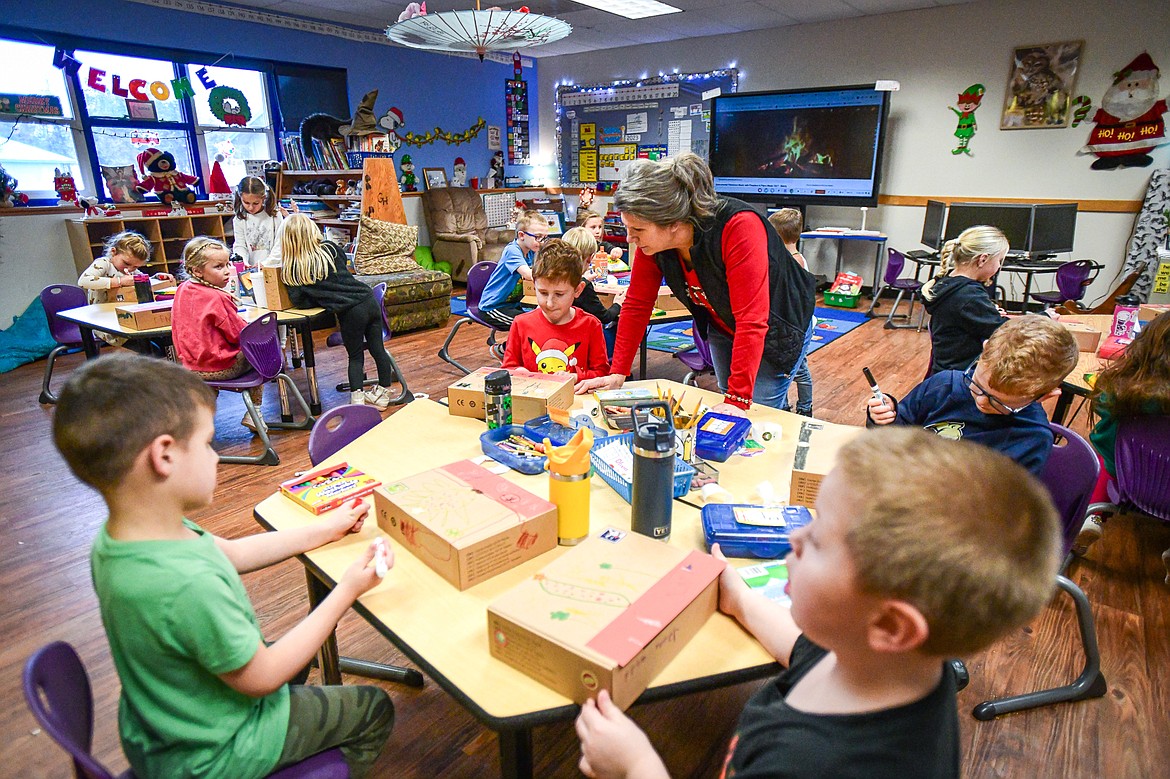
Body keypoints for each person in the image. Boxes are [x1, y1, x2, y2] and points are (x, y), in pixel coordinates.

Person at [576, 427, 1061, 779]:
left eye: (819, 538)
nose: (794, 536)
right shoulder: (892, 667)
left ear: (891, 626)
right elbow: (804, 650)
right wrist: (740, 599)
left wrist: (637, 765)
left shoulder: (811, 764)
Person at [51, 353, 395, 779]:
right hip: (216, 754)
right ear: (164, 455)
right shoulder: (184, 582)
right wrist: (347, 588)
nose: (216, 459)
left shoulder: (125, 538)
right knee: (373, 709)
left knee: (291, 656)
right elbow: (263, 677)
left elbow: (232, 553)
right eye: (208, 443)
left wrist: (325, 529)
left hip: (162, 734)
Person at [574, 154, 816, 415]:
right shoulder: (653, 242)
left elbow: (752, 320)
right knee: (731, 404)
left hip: (778, 327)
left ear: (674, 222)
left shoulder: (739, 226)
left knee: (758, 412)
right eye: (628, 228)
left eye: (639, 230)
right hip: (723, 323)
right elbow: (636, 304)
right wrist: (617, 373)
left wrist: (738, 400)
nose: (631, 239)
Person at [866, 315, 1077, 476]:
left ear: (1046, 395)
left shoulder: (1031, 439)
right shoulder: (943, 385)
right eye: (977, 385)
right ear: (985, 350)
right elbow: (894, 435)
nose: (982, 402)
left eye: (1000, 403)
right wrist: (884, 417)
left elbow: (996, 513)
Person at [1074, 310, 1170, 555]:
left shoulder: (1119, 388)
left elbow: (1101, 439)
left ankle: (1094, 514)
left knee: (1105, 459)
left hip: (1131, 480)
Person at [280, 213, 399, 409]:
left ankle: (357, 401)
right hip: (368, 299)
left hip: (350, 312)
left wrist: (321, 296)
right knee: (378, 350)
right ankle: (383, 395)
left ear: (287, 240)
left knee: (355, 356)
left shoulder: (293, 270)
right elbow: (342, 264)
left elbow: (300, 302)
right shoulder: (330, 249)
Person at [171, 236, 264, 431]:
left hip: (190, 365)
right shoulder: (216, 297)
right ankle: (255, 412)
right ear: (197, 271)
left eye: (227, 264)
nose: (227, 271)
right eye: (218, 266)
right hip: (218, 366)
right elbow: (239, 334)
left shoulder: (182, 289)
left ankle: (199, 420)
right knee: (260, 352)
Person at [501, 238, 610, 382]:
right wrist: (517, 372)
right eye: (543, 293)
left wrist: (576, 377)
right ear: (534, 286)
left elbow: (602, 373)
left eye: (559, 294)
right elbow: (508, 367)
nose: (550, 303)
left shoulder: (591, 325)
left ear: (578, 290)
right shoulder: (521, 324)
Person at [920, 225, 1010, 375]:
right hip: (960, 379)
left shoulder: (950, 284)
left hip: (944, 373)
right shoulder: (968, 295)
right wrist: (1043, 318)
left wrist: (989, 312)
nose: (999, 266)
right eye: (999, 260)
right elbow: (1003, 332)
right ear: (982, 259)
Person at [768, 207, 814, 416]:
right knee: (783, 368)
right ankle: (784, 405)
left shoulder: (794, 261)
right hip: (789, 323)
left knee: (799, 370)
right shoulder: (785, 258)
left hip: (798, 324)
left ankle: (805, 408)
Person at [478, 210, 549, 331]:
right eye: (537, 237)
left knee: (542, 320)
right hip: (493, 307)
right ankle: (503, 349)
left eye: (544, 237)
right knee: (529, 326)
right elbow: (528, 274)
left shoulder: (532, 251)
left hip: (514, 304)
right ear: (521, 235)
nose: (541, 242)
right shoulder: (512, 251)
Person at [562, 226, 626, 357]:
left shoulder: (560, 278)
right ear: (590, 258)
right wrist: (618, 303)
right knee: (617, 324)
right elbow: (605, 317)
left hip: (561, 334)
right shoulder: (583, 287)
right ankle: (612, 362)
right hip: (581, 340)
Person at [78, 230, 174, 304]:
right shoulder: (104, 263)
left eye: (135, 266)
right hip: (101, 316)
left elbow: (142, 281)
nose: (130, 269)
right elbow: (83, 281)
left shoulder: (132, 270)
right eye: (126, 263)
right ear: (113, 252)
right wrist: (119, 281)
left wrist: (156, 277)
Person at [232, 175, 292, 268]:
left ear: (263, 198)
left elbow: (280, 244)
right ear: (240, 198)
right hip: (251, 268)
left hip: (273, 267)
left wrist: (266, 263)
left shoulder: (274, 215)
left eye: (256, 203)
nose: (251, 207)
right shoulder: (239, 219)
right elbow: (240, 245)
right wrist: (243, 262)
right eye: (246, 203)